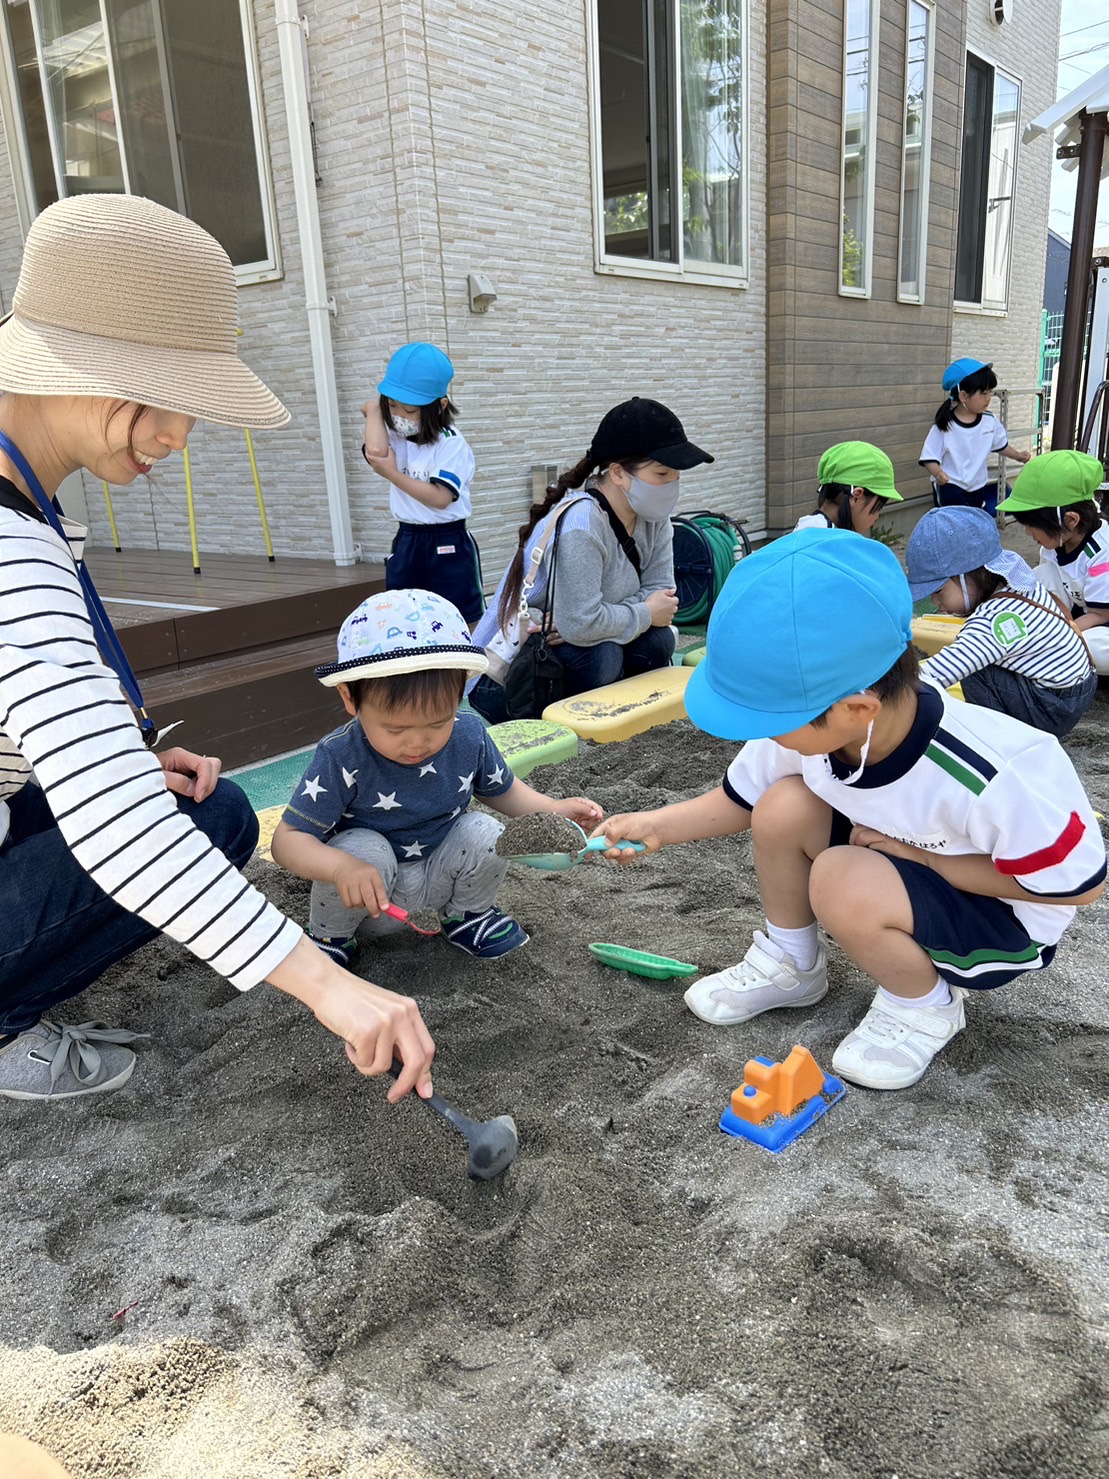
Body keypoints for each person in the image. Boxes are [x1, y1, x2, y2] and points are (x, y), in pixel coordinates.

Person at [0, 194, 434, 1104]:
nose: (176, 436)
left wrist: (117, 754)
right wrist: (331, 988)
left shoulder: (26, 495)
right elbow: (118, 827)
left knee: (216, 810)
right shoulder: (11, 551)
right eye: (162, 397)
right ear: (71, 363)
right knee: (160, 824)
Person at [591, 531, 1105, 1092]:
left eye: (771, 719)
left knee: (841, 877)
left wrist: (927, 862)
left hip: (998, 918)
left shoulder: (993, 770)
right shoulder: (822, 725)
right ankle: (793, 963)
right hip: (893, 860)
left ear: (857, 709)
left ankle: (924, 1005)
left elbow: (1074, 889)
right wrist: (656, 826)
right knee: (783, 806)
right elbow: (740, 799)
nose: (762, 733)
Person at [270, 589, 601, 961]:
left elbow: (502, 791)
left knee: (487, 831)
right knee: (363, 847)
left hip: (441, 875)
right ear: (350, 698)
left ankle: (468, 916)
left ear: (460, 692)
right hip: (369, 896)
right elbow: (287, 841)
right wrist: (340, 867)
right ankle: (330, 938)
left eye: (437, 723)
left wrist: (553, 810)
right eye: (395, 729)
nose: (417, 743)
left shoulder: (468, 735)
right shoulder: (341, 755)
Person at [469, 397, 712, 723]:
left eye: (676, 474)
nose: (673, 484)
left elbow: (662, 599)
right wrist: (639, 612)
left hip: (572, 645)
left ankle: (620, 721)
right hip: (514, 673)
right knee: (602, 655)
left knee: (658, 640)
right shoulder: (581, 525)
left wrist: (595, 619)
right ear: (619, 473)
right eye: (662, 473)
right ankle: (573, 727)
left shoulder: (654, 518)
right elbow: (590, 623)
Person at [905, 506, 1097, 737]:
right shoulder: (1015, 582)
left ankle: (1003, 739)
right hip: (1078, 686)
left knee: (975, 672)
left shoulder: (993, 619)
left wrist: (889, 687)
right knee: (981, 658)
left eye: (938, 591)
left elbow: (941, 671)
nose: (935, 602)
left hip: (1053, 708)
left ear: (968, 577)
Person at [360, 343, 483, 623]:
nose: (399, 417)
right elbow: (376, 453)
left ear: (439, 406)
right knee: (403, 615)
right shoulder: (394, 435)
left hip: (448, 541)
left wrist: (393, 474)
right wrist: (374, 411)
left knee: (459, 617)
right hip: (407, 538)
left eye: (409, 410)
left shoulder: (450, 443)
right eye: (391, 405)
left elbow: (440, 498)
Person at [997, 450, 1109, 676]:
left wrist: (1059, 632)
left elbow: (1101, 615)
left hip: (1102, 620)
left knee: (1092, 648)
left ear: (1071, 520)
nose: (1028, 532)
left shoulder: (1102, 553)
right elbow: (1047, 588)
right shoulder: (1054, 544)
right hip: (1084, 612)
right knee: (1041, 575)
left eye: (1033, 525)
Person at [920, 357, 1031, 511]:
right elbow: (929, 457)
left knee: (973, 519)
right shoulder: (945, 425)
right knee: (954, 520)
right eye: (983, 393)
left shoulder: (989, 421)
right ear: (963, 396)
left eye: (990, 392)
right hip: (950, 485)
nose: (988, 398)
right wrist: (938, 473)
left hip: (977, 486)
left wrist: (1018, 456)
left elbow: (1001, 445)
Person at [793, 441, 903, 534]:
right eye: (878, 508)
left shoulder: (805, 529)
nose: (877, 517)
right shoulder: (834, 545)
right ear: (856, 496)